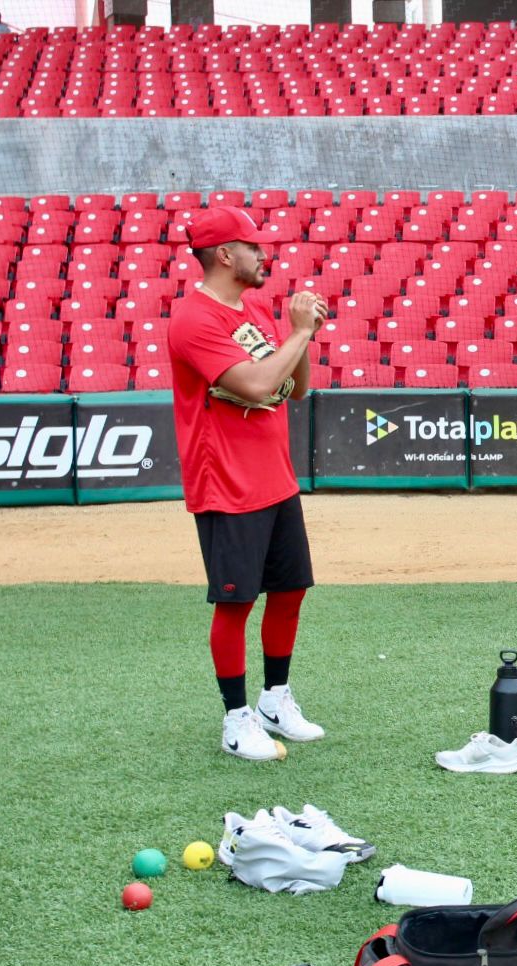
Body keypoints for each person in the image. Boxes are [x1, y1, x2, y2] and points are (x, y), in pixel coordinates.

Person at [167, 205, 328, 760]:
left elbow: (295, 389)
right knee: (235, 604)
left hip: (274, 478)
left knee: (290, 590)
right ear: (224, 254)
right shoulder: (193, 320)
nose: (265, 255)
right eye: (253, 247)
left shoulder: (255, 306)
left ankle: (275, 700)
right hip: (226, 484)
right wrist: (299, 332)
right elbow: (259, 384)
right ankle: (236, 720)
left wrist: (301, 336)